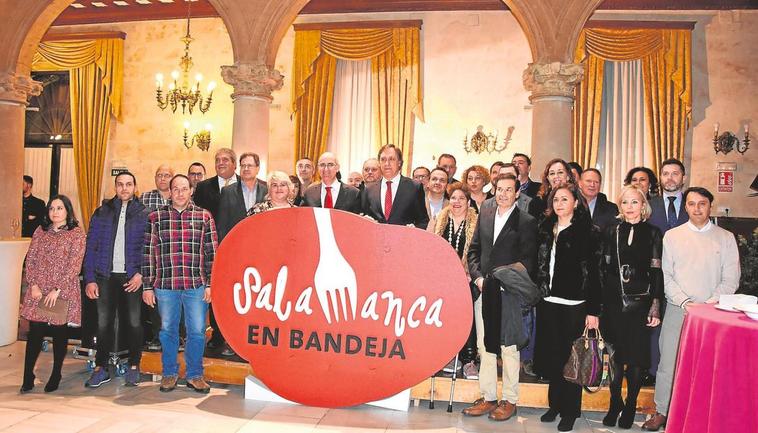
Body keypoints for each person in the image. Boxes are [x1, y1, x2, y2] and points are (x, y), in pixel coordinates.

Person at [642, 187, 740, 431]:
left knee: (708, 365)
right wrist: (686, 302)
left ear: (710, 206)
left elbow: (731, 278)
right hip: (679, 308)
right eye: (692, 204)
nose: (697, 208)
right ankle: (662, 411)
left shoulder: (725, 237)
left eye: (702, 203)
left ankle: (704, 413)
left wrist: (709, 303)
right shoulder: (672, 236)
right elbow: (666, 275)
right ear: (685, 207)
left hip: (713, 314)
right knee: (669, 363)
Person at [464, 174, 538, 421]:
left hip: (508, 293)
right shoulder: (485, 215)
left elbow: (528, 260)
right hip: (484, 290)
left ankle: (509, 399)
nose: (503, 194)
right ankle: (488, 397)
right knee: (485, 347)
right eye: (499, 189)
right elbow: (474, 251)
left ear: (517, 193)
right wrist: (478, 278)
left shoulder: (526, 221)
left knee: (508, 348)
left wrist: (506, 280)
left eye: (509, 190)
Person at [534, 184, 601, 432]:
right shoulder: (544, 229)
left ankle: (571, 411)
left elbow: (595, 275)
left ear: (576, 203)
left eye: (565, 199)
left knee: (571, 359)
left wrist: (593, 311)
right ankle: (555, 405)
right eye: (556, 199)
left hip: (575, 304)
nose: (560, 203)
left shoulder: (588, 232)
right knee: (552, 357)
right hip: (548, 301)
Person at [142, 174, 218, 394]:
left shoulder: (204, 217)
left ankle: (195, 375)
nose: (180, 193)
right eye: (176, 189)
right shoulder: (156, 217)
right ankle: (169, 373)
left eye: (184, 188)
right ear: (170, 191)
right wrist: (147, 286)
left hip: (196, 285)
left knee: (197, 331)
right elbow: (147, 253)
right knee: (167, 331)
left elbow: (212, 253)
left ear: (191, 191)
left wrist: (211, 284)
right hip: (165, 285)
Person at [600, 185, 664, 429]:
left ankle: (630, 406)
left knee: (636, 359)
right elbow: (602, 269)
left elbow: (657, 272)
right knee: (615, 357)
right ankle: (615, 402)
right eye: (625, 202)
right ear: (620, 205)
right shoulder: (611, 231)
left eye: (634, 202)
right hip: (613, 302)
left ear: (643, 205)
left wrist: (655, 306)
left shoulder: (653, 233)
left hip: (640, 304)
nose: (629, 207)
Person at [82, 172, 148, 388]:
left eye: (129, 184)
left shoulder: (144, 213)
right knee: (103, 324)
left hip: (132, 277)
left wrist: (141, 274)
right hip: (105, 277)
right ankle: (101, 368)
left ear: (135, 187)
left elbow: (149, 249)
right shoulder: (102, 213)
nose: (124, 188)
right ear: (115, 187)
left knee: (134, 322)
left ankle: (134, 366)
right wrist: (90, 279)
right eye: (120, 184)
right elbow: (90, 247)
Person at [20, 194, 86, 393]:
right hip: (38, 289)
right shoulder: (40, 231)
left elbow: (75, 265)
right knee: (35, 332)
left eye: (59, 208)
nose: (55, 212)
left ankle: (56, 373)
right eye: (52, 208)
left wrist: (58, 289)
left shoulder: (76, 234)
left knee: (59, 333)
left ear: (67, 211)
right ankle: (27, 375)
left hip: (62, 289)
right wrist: (33, 284)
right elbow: (30, 259)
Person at [645, 158, 688, 385]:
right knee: (654, 322)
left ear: (683, 177)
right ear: (660, 178)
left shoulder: (693, 205)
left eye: (675, 173)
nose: (670, 178)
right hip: (654, 275)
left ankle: (680, 374)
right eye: (665, 174)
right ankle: (652, 371)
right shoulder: (650, 205)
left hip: (684, 277)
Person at [432, 182, 478, 378]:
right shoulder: (440, 220)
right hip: (442, 280)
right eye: (453, 198)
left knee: (467, 320)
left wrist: (470, 274)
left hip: (466, 281)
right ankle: (448, 357)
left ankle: (468, 360)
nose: (457, 202)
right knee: (444, 319)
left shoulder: (476, 223)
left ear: (468, 202)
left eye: (461, 198)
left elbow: (479, 253)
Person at [360, 144, 428, 228]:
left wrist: (414, 229)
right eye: (383, 159)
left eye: (391, 159)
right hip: (377, 239)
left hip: (404, 239)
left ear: (399, 162)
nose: (387, 163)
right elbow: (365, 217)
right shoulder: (370, 190)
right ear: (379, 163)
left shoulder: (414, 187)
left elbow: (423, 221)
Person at [216, 152, 268, 242]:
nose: (246, 169)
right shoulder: (227, 191)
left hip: (260, 242)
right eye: (243, 166)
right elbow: (222, 225)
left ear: (257, 168)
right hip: (235, 243)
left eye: (249, 165)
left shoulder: (266, 191)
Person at [193, 148, 239, 219]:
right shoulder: (203, 187)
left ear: (234, 164)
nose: (220, 163)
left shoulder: (244, 184)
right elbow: (196, 215)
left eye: (225, 160)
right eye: (217, 160)